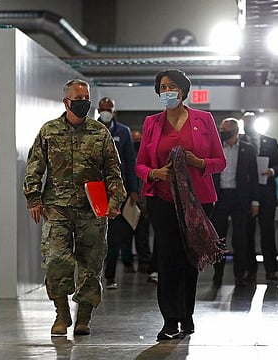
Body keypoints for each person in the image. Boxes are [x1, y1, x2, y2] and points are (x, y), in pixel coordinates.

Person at [23, 79, 126, 336]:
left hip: (92, 209)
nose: (84, 102)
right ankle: (61, 312)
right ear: (66, 101)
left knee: (90, 264)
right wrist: (33, 198)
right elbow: (35, 165)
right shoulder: (49, 131)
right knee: (56, 259)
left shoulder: (100, 133)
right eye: (78, 98)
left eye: (86, 98)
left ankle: (84, 316)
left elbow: (114, 171)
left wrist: (115, 202)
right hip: (57, 207)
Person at [135, 69, 226, 340]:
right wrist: (155, 173)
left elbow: (220, 161)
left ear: (184, 91)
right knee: (166, 259)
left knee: (189, 259)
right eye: (162, 87)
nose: (167, 91)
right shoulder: (152, 123)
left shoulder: (204, 119)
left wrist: (199, 163)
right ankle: (169, 320)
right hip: (162, 200)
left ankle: (187, 316)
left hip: (197, 202)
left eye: (172, 86)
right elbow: (139, 164)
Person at [211, 118, 259, 288]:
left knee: (240, 240)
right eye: (221, 129)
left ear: (235, 130)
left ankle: (239, 276)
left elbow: (254, 177)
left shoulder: (248, 149)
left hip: (240, 198)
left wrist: (255, 201)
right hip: (221, 196)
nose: (222, 132)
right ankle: (218, 274)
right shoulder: (216, 148)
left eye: (225, 129)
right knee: (218, 239)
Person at [97, 97, 139, 289]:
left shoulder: (123, 132)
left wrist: (133, 190)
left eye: (108, 108)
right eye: (102, 108)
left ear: (114, 111)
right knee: (94, 235)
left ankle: (110, 275)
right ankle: (93, 275)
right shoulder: (90, 129)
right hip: (96, 190)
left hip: (116, 191)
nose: (105, 111)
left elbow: (130, 162)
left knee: (114, 235)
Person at [241, 111, 278, 281]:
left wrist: (272, 171)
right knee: (247, 232)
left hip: (266, 191)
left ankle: (271, 269)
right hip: (247, 192)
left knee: (267, 231)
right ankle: (249, 269)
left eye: (250, 122)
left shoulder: (270, 142)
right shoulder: (240, 142)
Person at [131, 130, 153, 275]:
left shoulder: (148, 156)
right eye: (134, 140)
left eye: (139, 140)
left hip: (146, 201)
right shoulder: (128, 157)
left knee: (143, 234)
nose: (137, 143)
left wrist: (144, 200)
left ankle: (145, 260)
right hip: (131, 201)